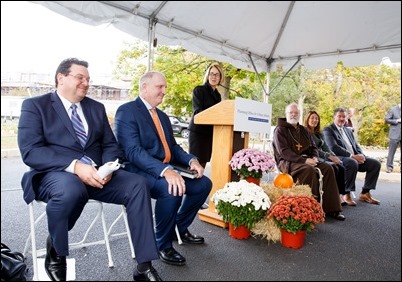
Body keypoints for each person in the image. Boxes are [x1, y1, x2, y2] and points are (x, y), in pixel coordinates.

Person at [17, 58, 162, 281]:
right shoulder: (35, 106)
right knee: (72, 188)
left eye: (88, 79)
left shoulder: (96, 107)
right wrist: (76, 167)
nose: (86, 83)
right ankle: (57, 250)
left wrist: (109, 168)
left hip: (98, 175)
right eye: (80, 77)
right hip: (56, 175)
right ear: (61, 78)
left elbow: (110, 145)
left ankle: (144, 266)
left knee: (137, 184)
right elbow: (31, 151)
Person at [114, 71, 212, 267]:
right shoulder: (127, 111)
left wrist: (192, 160)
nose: (164, 91)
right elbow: (133, 151)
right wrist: (164, 171)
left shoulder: (162, 116)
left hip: (166, 166)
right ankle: (163, 244)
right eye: (160, 87)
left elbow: (173, 148)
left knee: (203, 184)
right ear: (144, 87)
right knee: (171, 189)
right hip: (137, 169)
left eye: (165, 87)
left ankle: (178, 227)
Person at [272, 103, 345, 220]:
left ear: (299, 115)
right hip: (288, 163)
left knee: (328, 168)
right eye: (291, 112)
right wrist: (304, 160)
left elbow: (313, 147)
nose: (293, 115)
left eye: (296, 113)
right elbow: (283, 152)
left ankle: (332, 209)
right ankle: (310, 209)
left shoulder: (304, 130)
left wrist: (315, 157)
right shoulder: (280, 130)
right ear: (286, 114)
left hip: (307, 160)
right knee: (309, 170)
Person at [323, 107, 381, 205]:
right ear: (334, 117)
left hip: (354, 157)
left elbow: (355, 145)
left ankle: (365, 193)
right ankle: (346, 194)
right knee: (352, 162)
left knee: (375, 164)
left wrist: (361, 155)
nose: (342, 119)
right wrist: (352, 156)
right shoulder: (328, 130)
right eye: (339, 116)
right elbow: (333, 147)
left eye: (344, 117)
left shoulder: (348, 130)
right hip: (339, 158)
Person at [304, 111, 347, 206]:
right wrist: (329, 156)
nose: (315, 120)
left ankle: (339, 195)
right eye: (312, 118)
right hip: (314, 157)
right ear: (307, 119)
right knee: (333, 168)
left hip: (324, 156)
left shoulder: (319, 133)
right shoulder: (305, 132)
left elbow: (326, 147)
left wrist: (334, 156)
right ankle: (329, 197)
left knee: (341, 167)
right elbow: (314, 150)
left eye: (316, 118)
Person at [188, 63, 223, 168]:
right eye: (211, 74)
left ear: (220, 77)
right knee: (195, 165)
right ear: (207, 76)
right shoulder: (199, 90)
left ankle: (199, 184)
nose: (214, 77)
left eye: (217, 74)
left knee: (203, 164)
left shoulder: (218, 95)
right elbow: (198, 111)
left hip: (209, 134)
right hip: (198, 133)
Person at [385, 103, 401, 173]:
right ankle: (389, 167)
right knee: (391, 152)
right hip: (394, 134)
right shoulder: (393, 109)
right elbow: (386, 120)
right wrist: (397, 120)